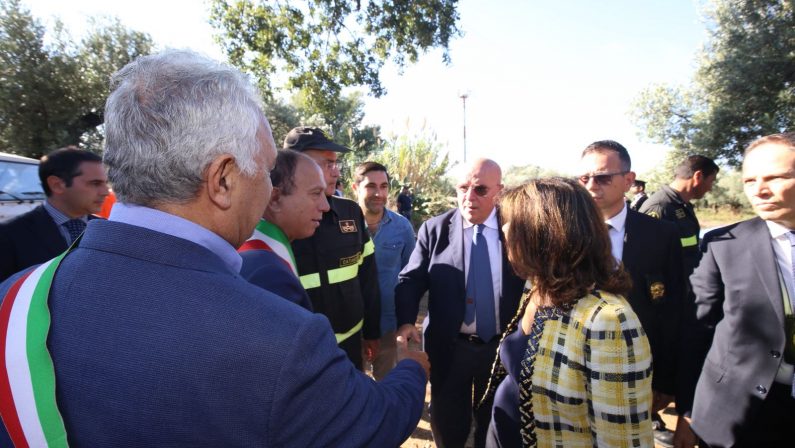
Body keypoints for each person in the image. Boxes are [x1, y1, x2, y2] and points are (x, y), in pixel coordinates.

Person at [0, 50, 429, 447]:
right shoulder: (280, 340)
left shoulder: (13, 301)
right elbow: (372, 425)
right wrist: (412, 369)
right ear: (223, 180)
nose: (268, 189)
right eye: (263, 171)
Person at [481, 177, 653, 447]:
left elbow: (622, 439)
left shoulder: (609, 321)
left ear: (545, 234)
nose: (503, 228)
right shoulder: (536, 287)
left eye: (514, 222)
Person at [674, 132, 795, 448]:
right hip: (740, 416)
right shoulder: (723, 246)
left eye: (775, 177)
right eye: (749, 180)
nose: (759, 190)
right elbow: (696, 331)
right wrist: (688, 411)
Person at [396, 158, 525, 448]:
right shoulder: (435, 229)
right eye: (463, 187)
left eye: (480, 189)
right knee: (447, 419)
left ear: (499, 191)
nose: (469, 197)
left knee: (495, 421)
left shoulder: (517, 229)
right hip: (449, 347)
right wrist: (406, 321)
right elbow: (411, 279)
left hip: (500, 348)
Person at [578, 140, 684, 447]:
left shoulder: (661, 235)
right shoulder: (565, 232)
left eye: (601, 177)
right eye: (583, 179)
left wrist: (666, 380)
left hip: (638, 371)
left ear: (628, 179)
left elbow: (673, 309)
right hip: (575, 369)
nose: (591, 185)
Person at [285, 126, 382, 371]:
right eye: (328, 164)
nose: (336, 172)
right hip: (298, 354)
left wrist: (372, 331)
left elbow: (368, 276)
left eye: (336, 163)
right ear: (297, 164)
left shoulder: (350, 212)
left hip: (350, 347)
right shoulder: (273, 218)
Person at [0, 146, 109, 281]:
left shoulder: (107, 231)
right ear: (57, 184)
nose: (105, 192)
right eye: (95, 183)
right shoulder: (9, 236)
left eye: (105, 183)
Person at [239, 149, 329, 310]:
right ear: (274, 199)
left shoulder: (250, 246)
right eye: (316, 193)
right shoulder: (268, 274)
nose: (325, 206)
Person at [352, 161, 415, 380]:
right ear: (355, 187)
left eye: (384, 186)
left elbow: (411, 278)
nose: (378, 193)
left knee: (386, 385)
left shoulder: (402, 228)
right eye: (371, 186)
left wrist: (406, 321)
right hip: (350, 327)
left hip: (388, 326)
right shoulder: (340, 226)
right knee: (351, 389)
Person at [639, 155, 719, 274]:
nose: (710, 188)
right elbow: (647, 259)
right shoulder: (660, 207)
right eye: (711, 181)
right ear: (698, 176)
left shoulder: (683, 205)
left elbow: (686, 244)